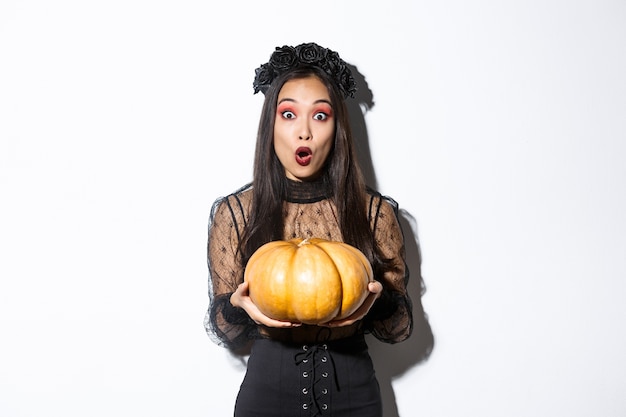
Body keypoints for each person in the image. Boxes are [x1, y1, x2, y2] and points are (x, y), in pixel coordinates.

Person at [204, 42, 413, 417]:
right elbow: (225, 328)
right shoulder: (236, 213)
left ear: (337, 128)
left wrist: (376, 300)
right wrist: (237, 306)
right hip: (267, 398)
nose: (304, 132)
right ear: (271, 125)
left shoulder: (373, 213)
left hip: (355, 398)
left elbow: (398, 328)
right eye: (288, 114)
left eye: (320, 116)